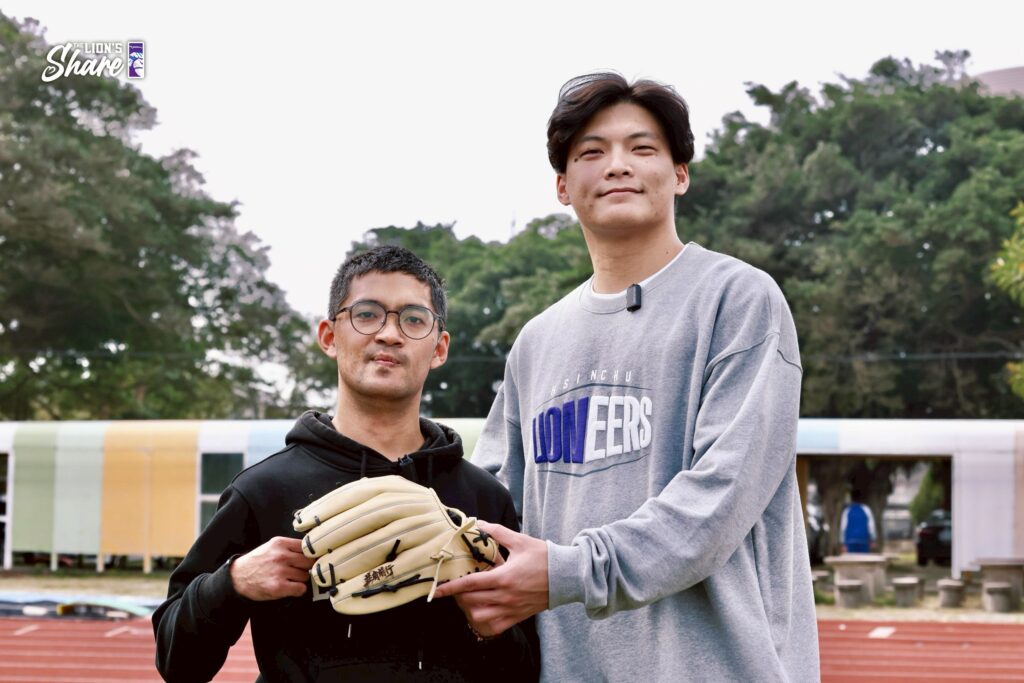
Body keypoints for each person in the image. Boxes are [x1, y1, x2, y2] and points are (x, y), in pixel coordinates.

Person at [434, 73, 820, 681]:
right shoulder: (536, 341)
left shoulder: (738, 300)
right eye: (592, 152)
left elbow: (718, 500)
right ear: (563, 186)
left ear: (680, 174)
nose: (617, 165)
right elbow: (496, 505)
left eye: (642, 148)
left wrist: (567, 572)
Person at [153, 245, 538, 682]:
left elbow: (524, 672)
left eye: (414, 319)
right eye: (367, 314)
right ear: (329, 336)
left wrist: (489, 627)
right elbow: (178, 664)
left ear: (439, 348)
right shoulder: (264, 489)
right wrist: (233, 582)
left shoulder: (483, 500)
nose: (389, 334)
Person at [841, 488, 877, 553]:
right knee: (864, 558)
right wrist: (873, 540)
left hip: (850, 541)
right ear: (861, 498)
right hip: (864, 540)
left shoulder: (847, 510)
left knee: (851, 559)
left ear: (851, 499)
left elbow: (843, 528)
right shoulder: (866, 509)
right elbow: (871, 526)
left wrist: (843, 543)